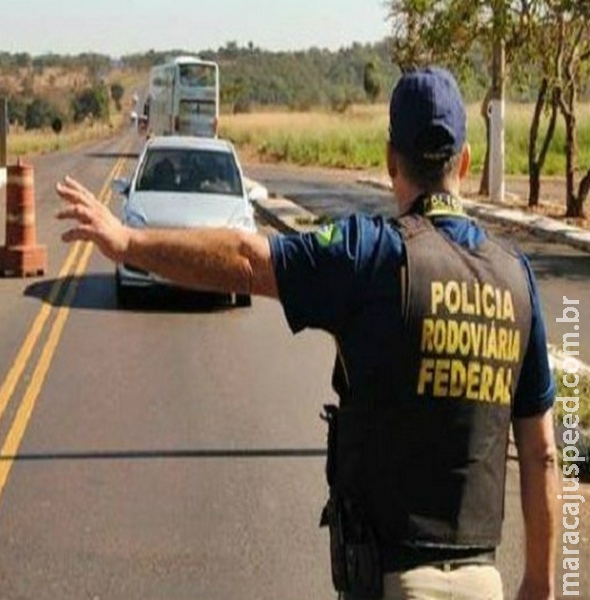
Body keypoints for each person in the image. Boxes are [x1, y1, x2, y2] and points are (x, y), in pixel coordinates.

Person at [56, 67, 557, 600]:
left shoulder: (369, 254)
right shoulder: (514, 276)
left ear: (390, 161)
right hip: (486, 581)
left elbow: (246, 261)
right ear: (465, 161)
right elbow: (542, 452)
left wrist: (129, 241)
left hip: (390, 581)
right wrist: (542, 583)